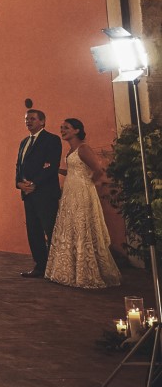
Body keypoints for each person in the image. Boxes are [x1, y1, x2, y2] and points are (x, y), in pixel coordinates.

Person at [45, 118, 122, 289]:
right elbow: (74, 171)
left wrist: (88, 186)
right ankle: (71, 271)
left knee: (82, 228)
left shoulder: (83, 148)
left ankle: (87, 272)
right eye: (61, 128)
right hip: (70, 194)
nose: (62, 130)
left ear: (77, 130)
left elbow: (98, 171)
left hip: (82, 194)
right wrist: (56, 169)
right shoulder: (71, 150)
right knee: (71, 228)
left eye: (66, 128)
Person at [16, 106, 64, 278]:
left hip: (45, 193)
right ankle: (40, 265)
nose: (28, 122)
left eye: (32, 119)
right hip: (28, 194)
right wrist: (19, 183)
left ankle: (55, 267)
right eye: (26, 119)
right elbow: (19, 166)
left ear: (42, 121)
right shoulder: (24, 142)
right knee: (33, 231)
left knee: (50, 229)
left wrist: (35, 183)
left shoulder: (51, 140)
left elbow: (52, 166)